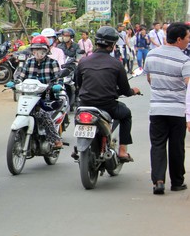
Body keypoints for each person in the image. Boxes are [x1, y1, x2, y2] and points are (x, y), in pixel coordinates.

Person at [75, 26, 141, 164]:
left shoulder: (83, 62)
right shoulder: (116, 64)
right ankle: (122, 151)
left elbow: (78, 83)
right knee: (126, 114)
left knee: (79, 116)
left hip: (85, 105)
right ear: (112, 45)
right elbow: (124, 90)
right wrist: (133, 91)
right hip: (107, 106)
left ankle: (78, 146)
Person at [143, 22, 190, 195]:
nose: (188, 41)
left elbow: (149, 78)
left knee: (157, 144)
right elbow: (188, 87)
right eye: (187, 38)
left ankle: (159, 181)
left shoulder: (151, 55)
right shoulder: (185, 60)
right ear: (179, 39)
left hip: (157, 108)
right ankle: (177, 182)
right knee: (176, 146)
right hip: (177, 110)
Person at [10, 35, 63, 149]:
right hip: (29, 96)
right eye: (35, 49)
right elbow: (20, 76)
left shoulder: (52, 63)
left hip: (46, 97)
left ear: (46, 50)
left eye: (41, 49)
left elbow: (59, 78)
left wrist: (57, 85)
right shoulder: (29, 62)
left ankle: (55, 140)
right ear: (32, 51)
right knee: (22, 112)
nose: (38, 52)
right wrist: (14, 83)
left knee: (43, 115)